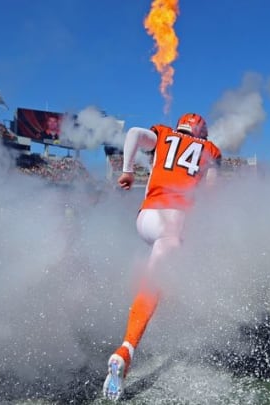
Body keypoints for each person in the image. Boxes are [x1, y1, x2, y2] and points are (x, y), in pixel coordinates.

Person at [102, 113, 222, 401]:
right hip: (173, 220)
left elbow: (132, 133)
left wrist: (128, 170)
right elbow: (212, 194)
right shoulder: (210, 149)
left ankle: (169, 303)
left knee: (168, 271)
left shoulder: (164, 135)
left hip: (146, 218)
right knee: (159, 277)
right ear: (202, 131)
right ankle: (126, 350)